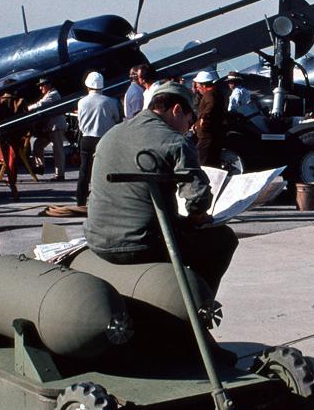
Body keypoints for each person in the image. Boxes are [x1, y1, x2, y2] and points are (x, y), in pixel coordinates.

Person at [85, 81, 238, 294]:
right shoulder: (175, 141)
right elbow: (198, 200)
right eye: (189, 120)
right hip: (142, 244)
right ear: (176, 110)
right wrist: (198, 215)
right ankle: (198, 303)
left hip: (97, 238)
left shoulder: (112, 133)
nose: (189, 127)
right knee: (223, 239)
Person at [75, 71, 122, 208]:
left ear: (87, 86)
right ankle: (105, 201)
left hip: (86, 138)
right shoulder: (110, 102)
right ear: (101, 86)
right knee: (105, 171)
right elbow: (117, 119)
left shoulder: (81, 102)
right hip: (104, 139)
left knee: (84, 171)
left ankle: (81, 201)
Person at [30, 78, 68, 181]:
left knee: (57, 150)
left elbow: (40, 104)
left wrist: (27, 108)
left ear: (48, 85)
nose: (40, 87)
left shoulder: (53, 94)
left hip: (56, 127)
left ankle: (60, 175)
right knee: (38, 144)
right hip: (49, 127)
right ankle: (39, 166)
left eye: (42, 85)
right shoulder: (48, 95)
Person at [192, 69, 227, 167]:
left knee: (202, 162)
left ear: (203, 86)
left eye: (198, 87)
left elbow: (211, 105)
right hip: (214, 133)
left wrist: (203, 118)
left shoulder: (209, 94)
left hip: (207, 134)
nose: (198, 89)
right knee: (212, 162)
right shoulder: (217, 93)